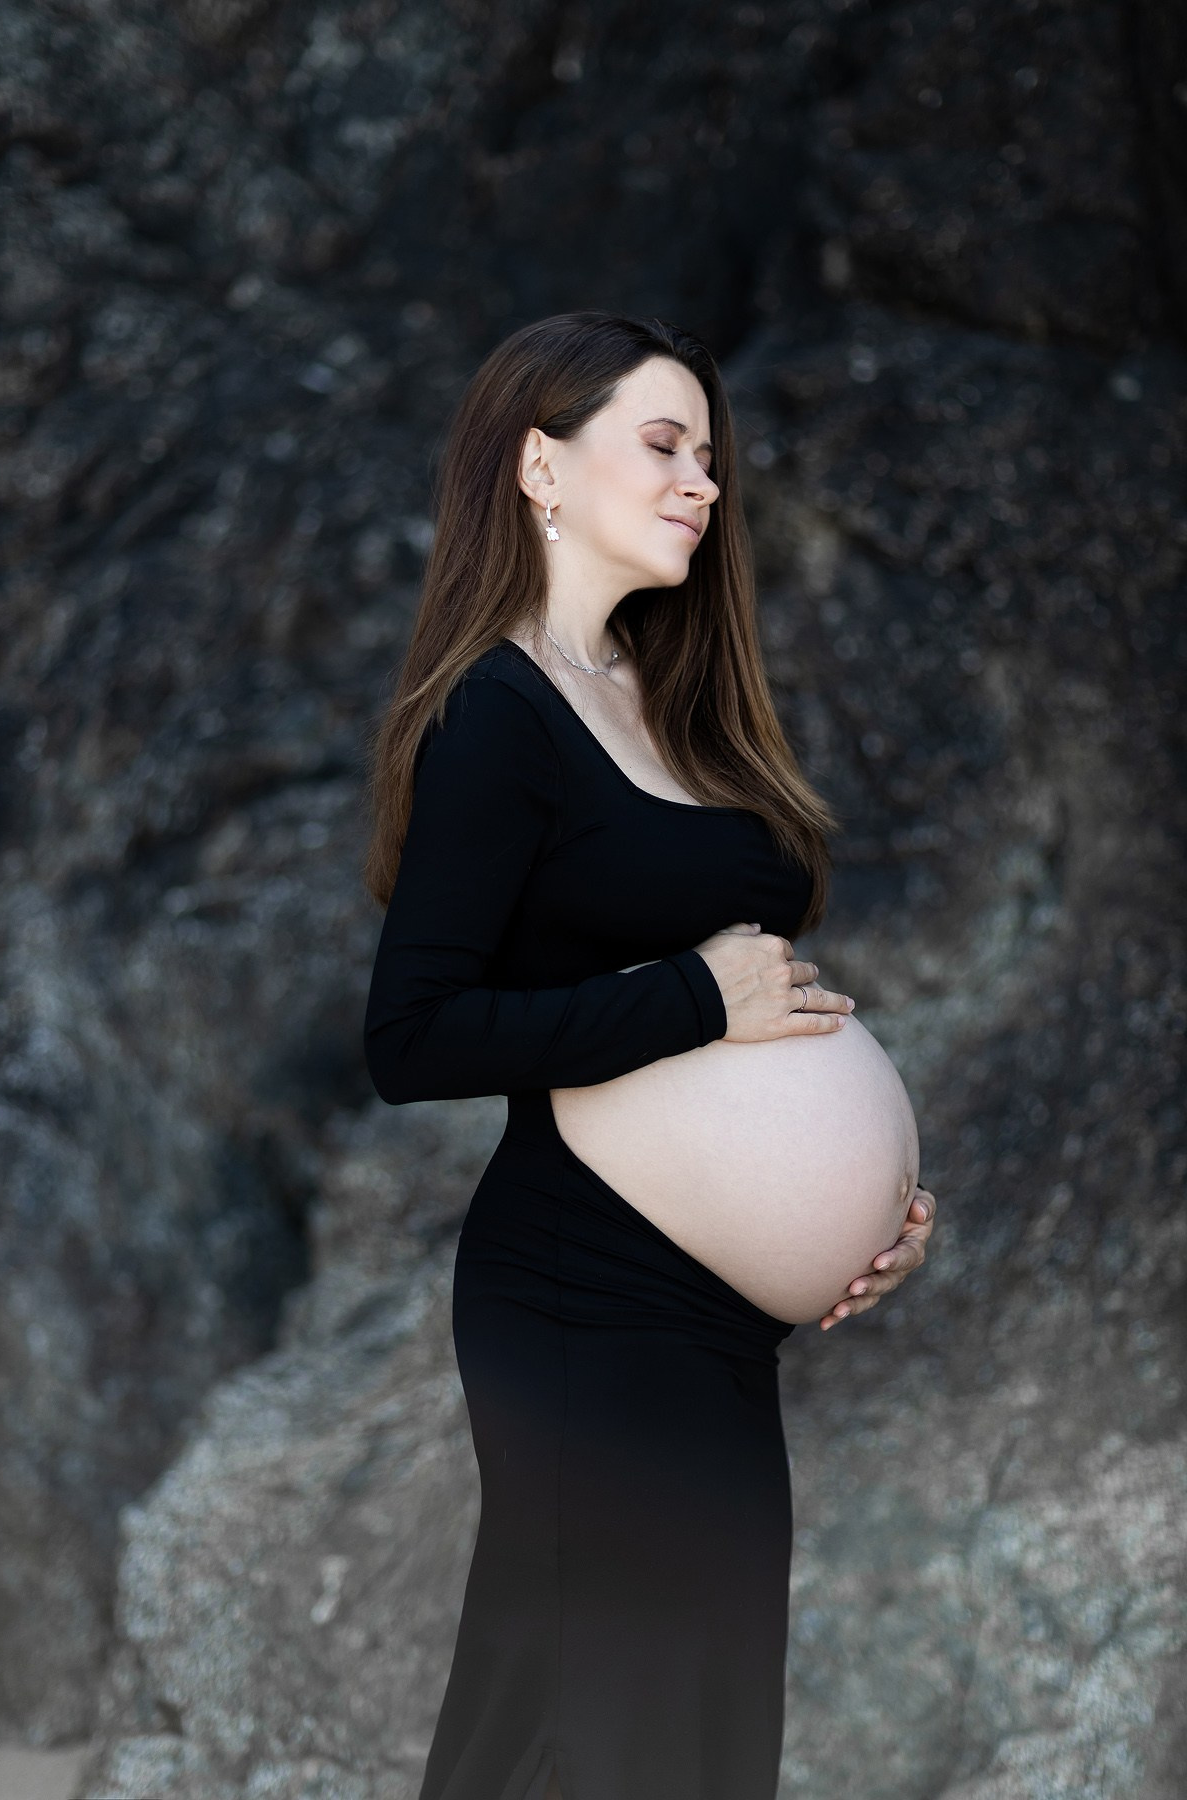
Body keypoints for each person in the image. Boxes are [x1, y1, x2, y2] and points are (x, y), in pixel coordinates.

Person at [362, 311, 937, 1800]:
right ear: (541, 466)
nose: (705, 483)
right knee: (598, 1739)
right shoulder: (496, 714)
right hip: (585, 1300)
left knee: (700, 1737)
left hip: (715, 1325)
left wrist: (866, 1213)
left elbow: (756, 1002)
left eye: (712, 456)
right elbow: (412, 1036)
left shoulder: (668, 703)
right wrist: (695, 1001)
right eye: (665, 445)